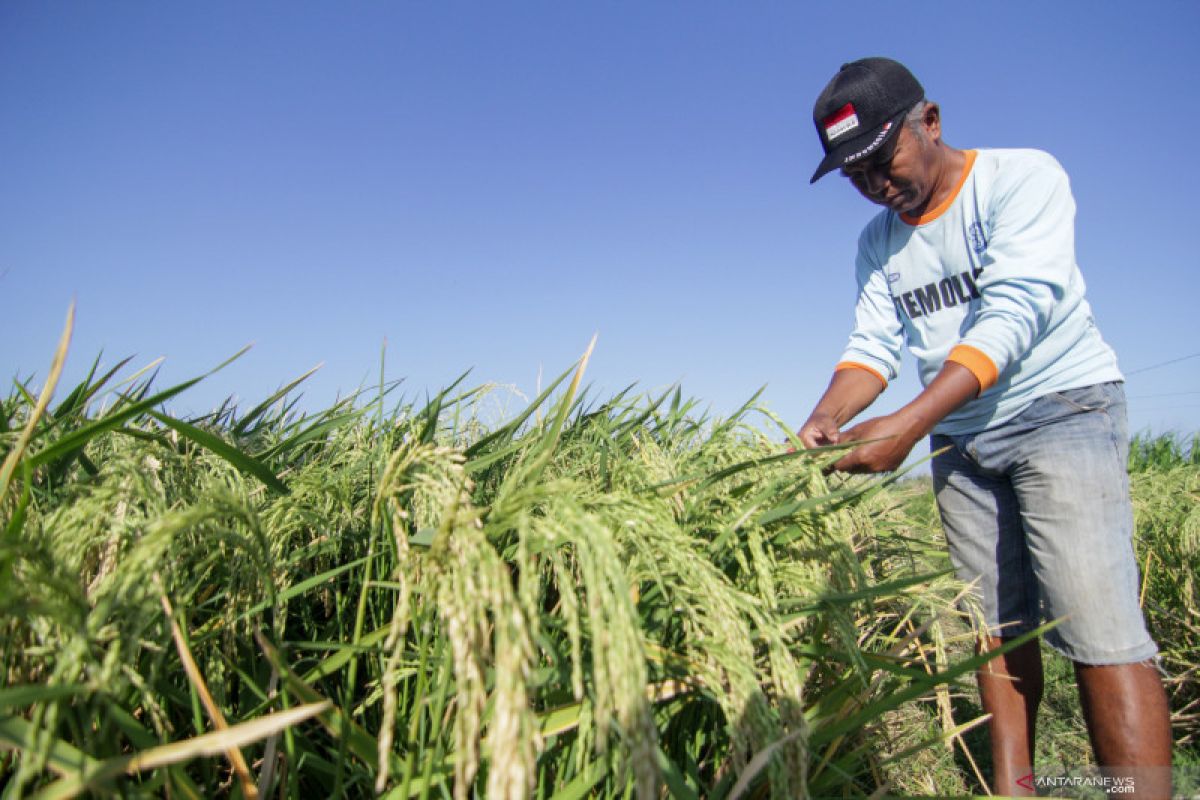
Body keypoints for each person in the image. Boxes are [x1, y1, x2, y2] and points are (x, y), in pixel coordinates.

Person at [798, 57, 1172, 796]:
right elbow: (873, 349)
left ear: (929, 121)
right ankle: (1016, 790)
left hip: (1060, 410)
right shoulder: (878, 243)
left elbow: (1012, 316)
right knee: (992, 634)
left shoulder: (1021, 179)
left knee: (1098, 632)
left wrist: (906, 423)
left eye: (882, 159)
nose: (874, 184)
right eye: (854, 174)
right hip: (961, 440)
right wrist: (826, 418)